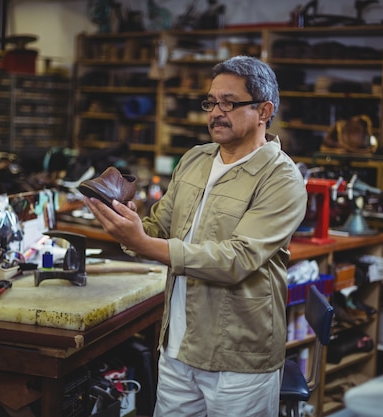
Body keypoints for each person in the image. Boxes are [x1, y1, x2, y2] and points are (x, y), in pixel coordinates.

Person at [83, 55, 308, 417]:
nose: (216, 112)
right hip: (178, 345)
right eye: (210, 102)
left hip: (237, 357)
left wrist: (142, 242)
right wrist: (124, 220)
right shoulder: (196, 159)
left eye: (229, 103)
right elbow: (158, 227)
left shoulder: (281, 179)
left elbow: (236, 260)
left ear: (264, 111)